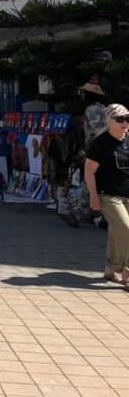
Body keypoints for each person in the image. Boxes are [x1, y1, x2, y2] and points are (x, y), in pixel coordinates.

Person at [84, 104, 129, 285]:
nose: (125, 123)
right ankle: (126, 271)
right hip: (108, 195)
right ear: (110, 121)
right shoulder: (100, 143)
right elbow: (89, 172)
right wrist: (94, 197)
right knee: (126, 229)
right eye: (120, 119)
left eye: (128, 119)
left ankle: (111, 269)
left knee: (116, 232)